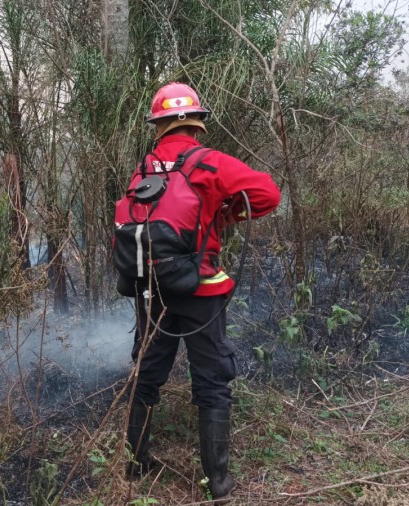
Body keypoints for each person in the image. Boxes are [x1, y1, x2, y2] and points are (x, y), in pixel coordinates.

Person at [124, 82, 280, 500]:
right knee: (211, 382)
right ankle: (220, 485)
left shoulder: (144, 168)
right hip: (202, 290)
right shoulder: (210, 162)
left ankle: (135, 466)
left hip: (152, 288)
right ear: (196, 123)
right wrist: (227, 214)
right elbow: (268, 194)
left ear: (157, 123)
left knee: (145, 376)